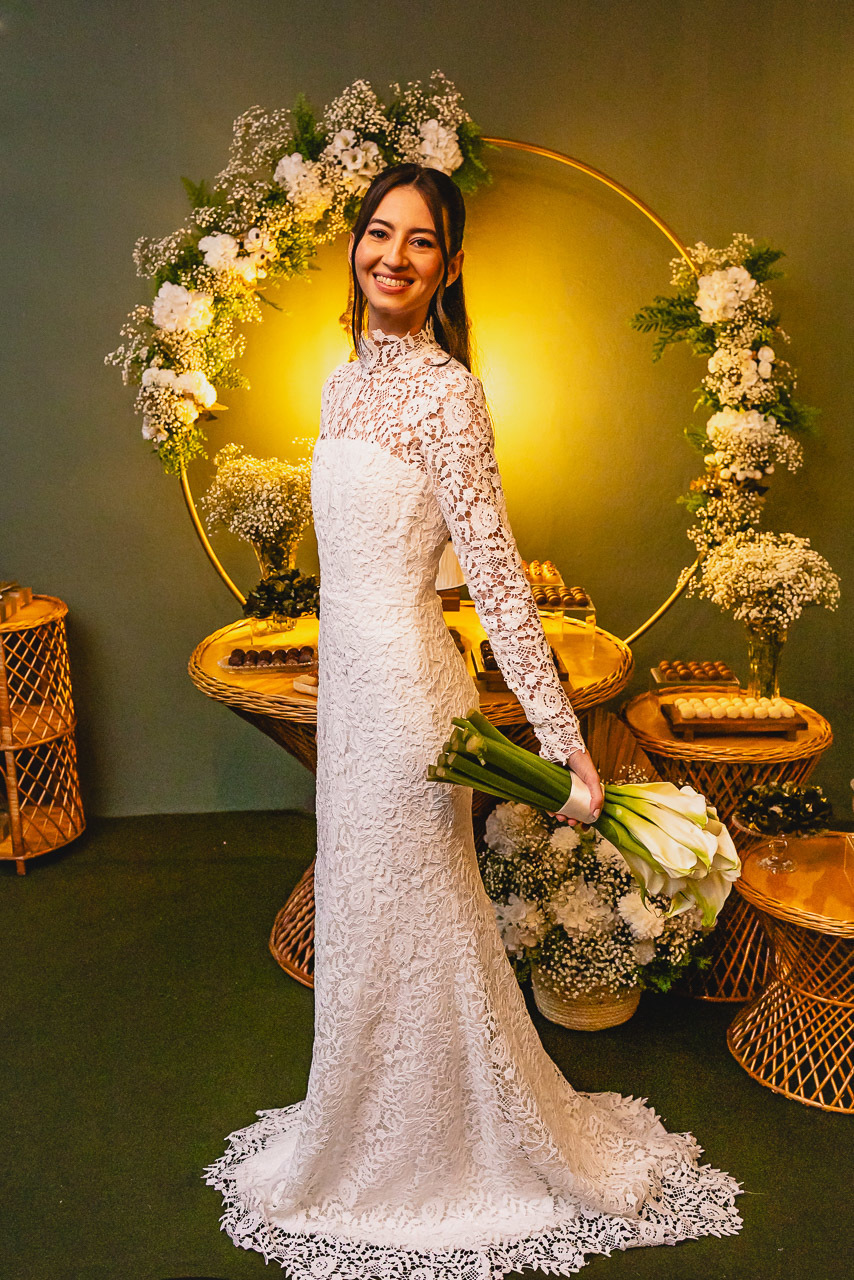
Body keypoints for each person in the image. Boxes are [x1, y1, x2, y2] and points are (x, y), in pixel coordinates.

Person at [205, 163, 741, 1277]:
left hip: (411, 700)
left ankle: (448, 1150)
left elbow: (493, 577)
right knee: (359, 914)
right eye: (377, 232)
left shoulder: (450, 394)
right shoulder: (340, 381)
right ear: (355, 244)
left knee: (421, 913)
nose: (391, 256)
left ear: (448, 266)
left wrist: (563, 748)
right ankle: (361, 1131)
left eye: (419, 242)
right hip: (350, 695)